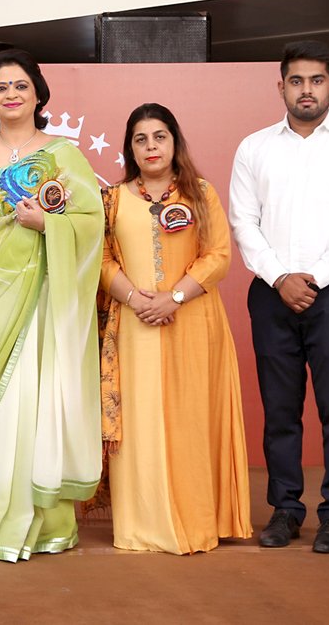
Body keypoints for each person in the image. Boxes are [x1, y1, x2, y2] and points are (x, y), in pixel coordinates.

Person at [0, 49, 104, 562]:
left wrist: (47, 224)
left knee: (37, 404)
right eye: (1, 86)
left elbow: (91, 222)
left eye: (20, 85)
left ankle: (43, 525)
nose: (11, 94)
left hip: (42, 302)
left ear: (38, 94)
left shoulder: (61, 155)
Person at [229, 40, 329, 554]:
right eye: (296, 81)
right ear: (281, 86)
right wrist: (279, 278)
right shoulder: (255, 148)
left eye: (316, 80)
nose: (306, 90)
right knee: (280, 409)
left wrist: (312, 277)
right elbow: (243, 224)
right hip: (271, 295)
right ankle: (286, 510)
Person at [97, 103, 252, 554]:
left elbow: (218, 256)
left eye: (159, 137)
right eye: (141, 139)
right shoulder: (113, 199)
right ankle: (141, 524)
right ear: (130, 146)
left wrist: (174, 297)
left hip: (193, 323)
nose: (151, 147)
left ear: (174, 141)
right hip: (133, 325)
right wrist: (134, 298)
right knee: (140, 421)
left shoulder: (201, 193)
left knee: (191, 421)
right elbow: (102, 261)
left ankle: (196, 520)